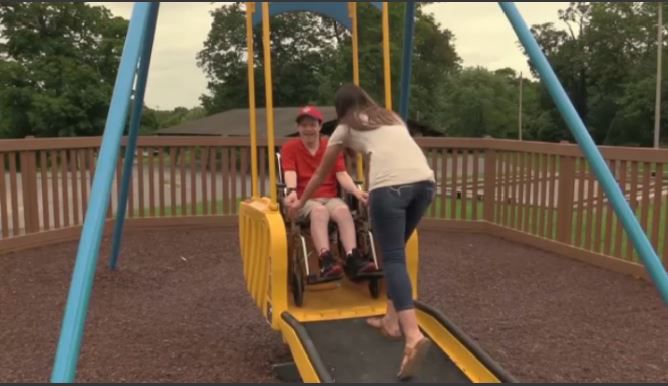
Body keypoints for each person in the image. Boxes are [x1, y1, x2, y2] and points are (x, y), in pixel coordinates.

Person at [288, 86, 435, 380]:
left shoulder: (344, 128)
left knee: (391, 258)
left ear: (341, 108)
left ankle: (412, 335)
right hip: (425, 184)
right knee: (395, 254)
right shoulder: (391, 117)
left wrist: (300, 203)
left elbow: (320, 175)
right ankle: (391, 321)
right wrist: (361, 190)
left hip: (391, 189)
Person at [280, 105, 378, 280]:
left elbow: (342, 174)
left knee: (342, 210)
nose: (308, 129)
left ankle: (352, 257)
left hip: (330, 197)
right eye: (304, 125)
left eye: (312, 125)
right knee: (319, 211)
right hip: (305, 199)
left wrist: (356, 192)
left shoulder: (330, 146)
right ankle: (326, 261)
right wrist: (292, 191)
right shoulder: (290, 148)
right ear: (298, 128)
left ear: (319, 126)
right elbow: (290, 172)